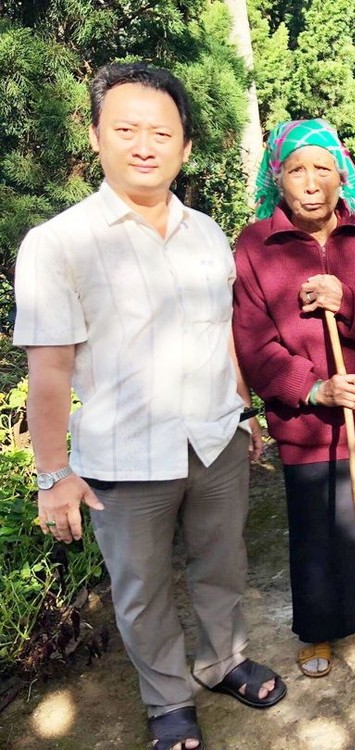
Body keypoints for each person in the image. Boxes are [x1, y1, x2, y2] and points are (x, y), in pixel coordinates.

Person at [13, 63, 284, 750]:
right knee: (142, 592)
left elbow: (220, 332)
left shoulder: (207, 235)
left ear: (185, 146)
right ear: (96, 137)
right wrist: (53, 473)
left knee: (222, 567)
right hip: (125, 457)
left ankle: (223, 661)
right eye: (126, 129)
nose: (144, 145)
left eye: (161, 132)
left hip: (215, 440)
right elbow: (48, 369)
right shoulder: (58, 244)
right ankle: (167, 700)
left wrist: (243, 413)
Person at [232, 119, 355, 674]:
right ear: (279, 178)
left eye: (322, 168)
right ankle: (319, 625)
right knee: (316, 526)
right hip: (304, 424)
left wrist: (346, 300)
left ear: (342, 175)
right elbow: (253, 341)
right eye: (297, 169)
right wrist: (312, 388)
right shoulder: (254, 246)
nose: (311, 181)